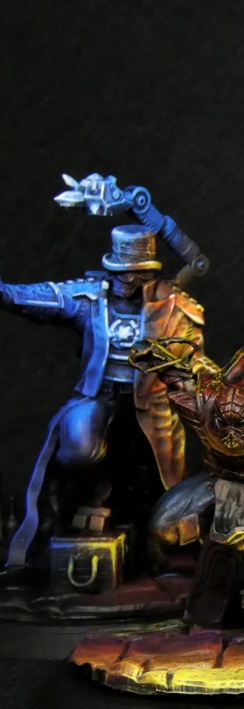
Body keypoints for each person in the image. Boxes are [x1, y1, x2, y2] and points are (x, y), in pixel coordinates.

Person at [1, 224, 204, 568]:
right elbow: (33, 298)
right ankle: (87, 500)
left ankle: (162, 546)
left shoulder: (173, 308)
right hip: (98, 397)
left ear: (149, 273)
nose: (128, 280)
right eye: (121, 272)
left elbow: (194, 364)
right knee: (79, 448)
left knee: (163, 478)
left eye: (136, 273)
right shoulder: (90, 299)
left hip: (151, 405)